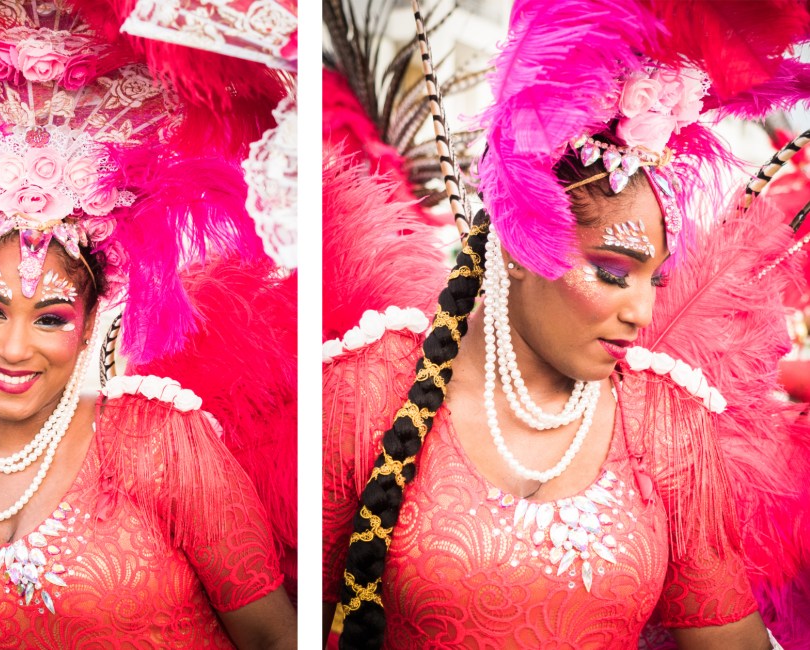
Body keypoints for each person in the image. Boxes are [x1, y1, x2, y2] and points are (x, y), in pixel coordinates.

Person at [0, 0, 298, 646]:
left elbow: (274, 639)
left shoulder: (165, 448)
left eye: (50, 318)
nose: (14, 348)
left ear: (92, 316)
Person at [323, 2, 810, 648]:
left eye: (654, 280)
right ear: (525, 245)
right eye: (613, 272)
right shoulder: (364, 393)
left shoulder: (670, 423)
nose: (641, 312)